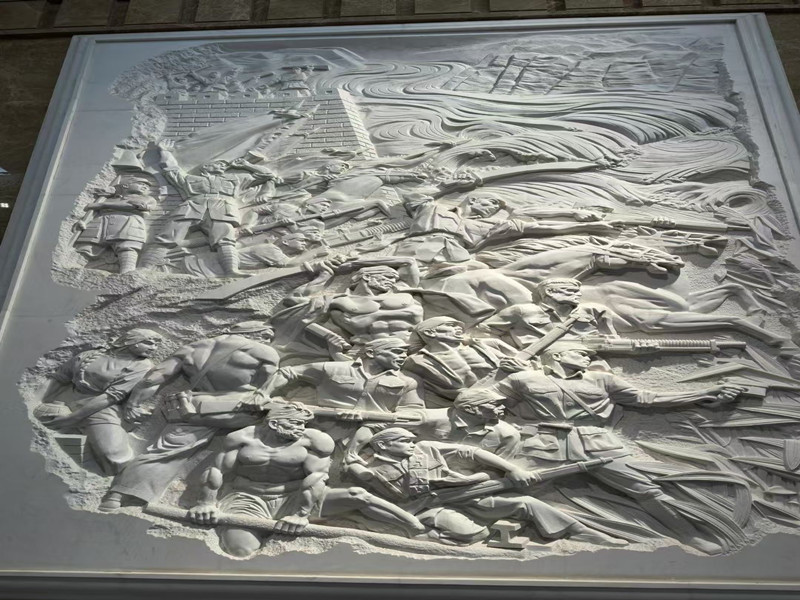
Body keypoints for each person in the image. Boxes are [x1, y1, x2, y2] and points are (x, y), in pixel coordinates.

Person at [495, 341, 744, 554]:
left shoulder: (602, 380)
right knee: (500, 486)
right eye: (580, 353)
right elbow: (484, 398)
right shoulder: (522, 379)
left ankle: (689, 534)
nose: (587, 357)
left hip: (596, 444)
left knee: (645, 490)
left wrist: (705, 393)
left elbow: (647, 398)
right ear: (558, 355)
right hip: (543, 445)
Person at [188, 403, 425, 557]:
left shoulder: (314, 441)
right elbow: (216, 471)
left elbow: (316, 478)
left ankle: (415, 528)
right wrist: (205, 503)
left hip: (298, 496)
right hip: (248, 499)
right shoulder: (241, 438)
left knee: (357, 495)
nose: (301, 429)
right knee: (240, 549)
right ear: (274, 423)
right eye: (295, 424)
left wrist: (300, 515)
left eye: (303, 424)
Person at [100, 321, 280, 510]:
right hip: (236, 410)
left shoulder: (195, 347)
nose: (268, 340)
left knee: (164, 451)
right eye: (266, 336)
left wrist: (133, 403)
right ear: (253, 333)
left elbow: (153, 379)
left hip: (192, 407)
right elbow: (266, 387)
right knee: (284, 422)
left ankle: (118, 495)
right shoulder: (264, 351)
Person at [346, 427, 627, 547]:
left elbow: (471, 453)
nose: (411, 443)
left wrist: (512, 469)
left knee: (527, 503)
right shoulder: (372, 470)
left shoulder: (426, 448)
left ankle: (580, 532)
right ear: (384, 445)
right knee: (473, 534)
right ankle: (423, 535)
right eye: (404, 440)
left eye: (411, 439)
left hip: (468, 495)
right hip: (427, 509)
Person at [142, 139, 281, 276]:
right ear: (206, 167)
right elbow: (171, 168)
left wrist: (246, 165)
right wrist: (164, 151)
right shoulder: (190, 179)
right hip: (191, 208)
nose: (223, 165)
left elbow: (267, 175)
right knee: (166, 237)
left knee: (225, 241)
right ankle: (144, 269)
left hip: (222, 210)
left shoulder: (235, 179)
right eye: (218, 163)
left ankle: (231, 271)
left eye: (224, 164)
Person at [34, 328, 163, 474]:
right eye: (149, 343)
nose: (154, 348)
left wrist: (72, 418)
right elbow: (59, 378)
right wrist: (35, 402)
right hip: (67, 398)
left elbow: (112, 396)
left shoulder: (142, 366)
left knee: (114, 457)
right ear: (130, 341)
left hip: (100, 408)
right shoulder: (89, 355)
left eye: (156, 345)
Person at [261, 338, 424, 419]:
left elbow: (414, 412)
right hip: (321, 425)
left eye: (405, 353)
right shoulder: (333, 369)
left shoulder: (407, 382)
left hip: (372, 435)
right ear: (370, 353)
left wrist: (367, 416)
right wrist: (263, 394)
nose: (403, 356)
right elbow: (287, 372)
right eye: (397, 352)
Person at [480, 278, 617, 350]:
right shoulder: (522, 311)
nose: (579, 295)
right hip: (537, 362)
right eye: (571, 291)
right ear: (550, 292)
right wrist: (510, 351)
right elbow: (482, 332)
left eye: (578, 291)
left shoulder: (593, 311)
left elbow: (613, 340)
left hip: (586, 360)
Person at [404, 316, 517, 401]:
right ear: (430, 332)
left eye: (460, 326)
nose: (459, 328)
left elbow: (518, 361)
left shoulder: (480, 345)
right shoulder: (417, 361)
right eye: (451, 325)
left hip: (514, 389)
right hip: (478, 404)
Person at [73, 177, 157, 273]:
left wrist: (103, 205)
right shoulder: (108, 198)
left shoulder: (147, 199)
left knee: (127, 250)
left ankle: (127, 275)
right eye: (141, 184)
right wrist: (83, 222)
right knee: (85, 249)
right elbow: (94, 213)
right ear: (126, 185)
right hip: (100, 225)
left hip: (128, 226)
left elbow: (134, 206)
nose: (145, 187)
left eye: (147, 186)